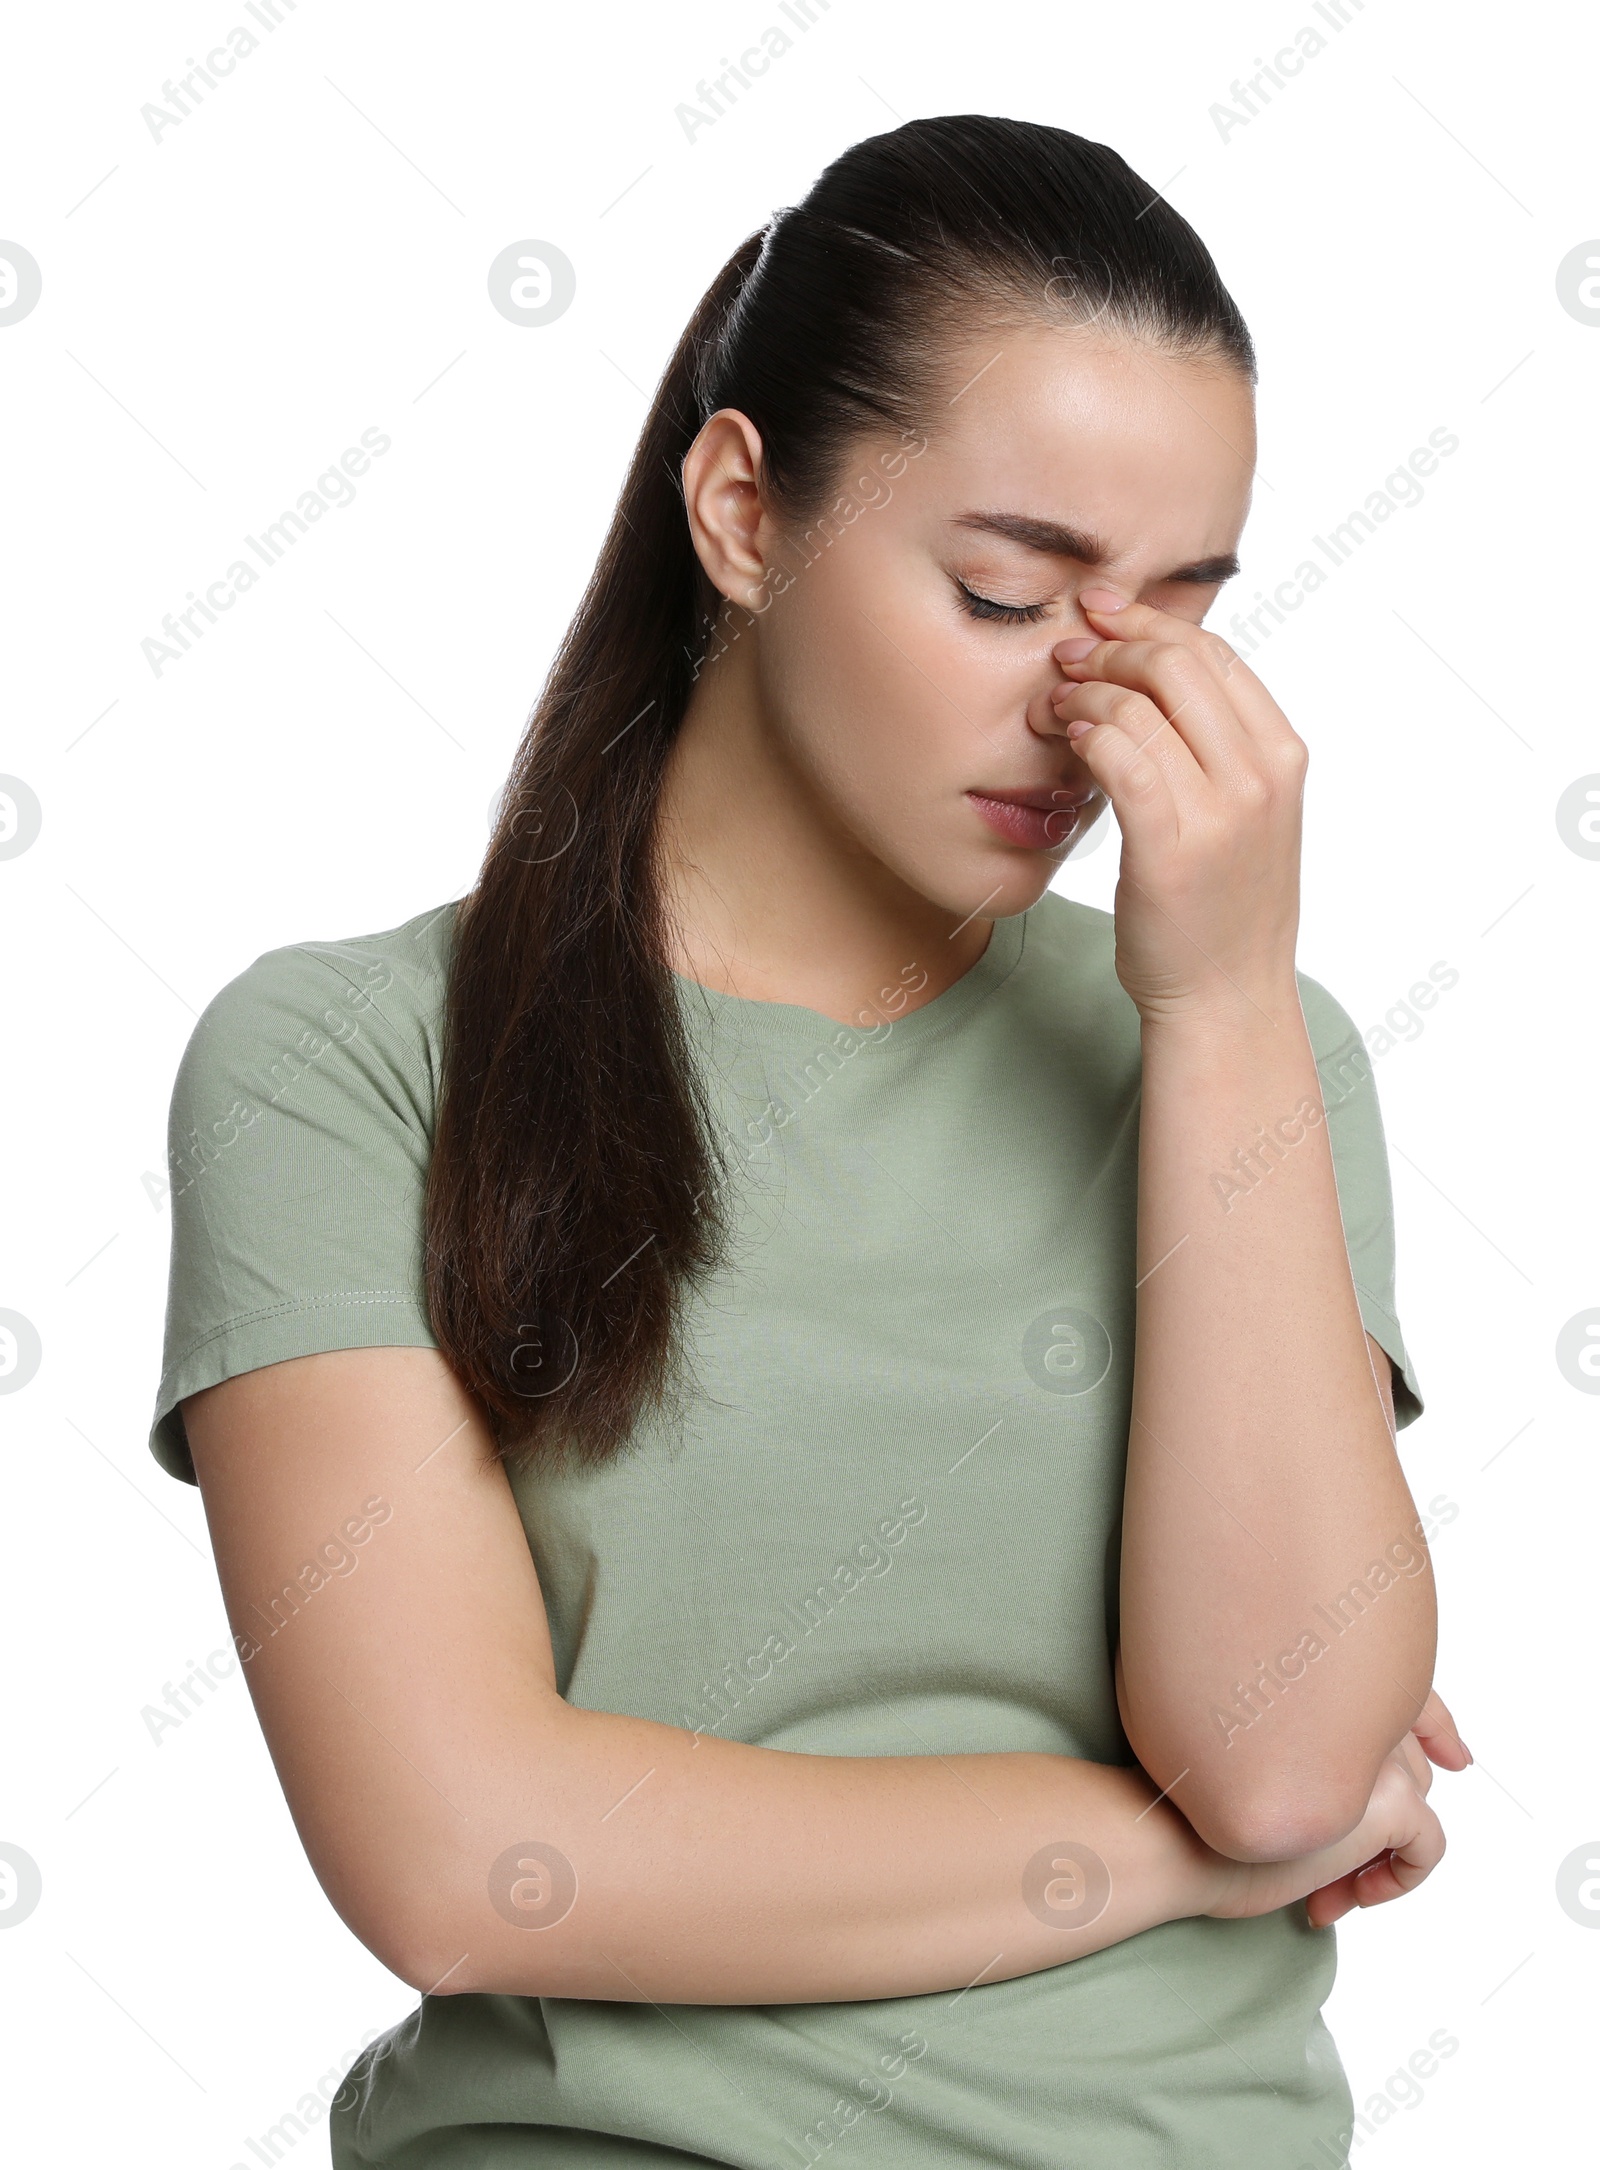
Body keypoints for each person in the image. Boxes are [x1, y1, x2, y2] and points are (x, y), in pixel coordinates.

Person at [149, 114, 1467, 2170]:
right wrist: (1167, 1858)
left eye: (1177, 613)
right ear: (744, 511)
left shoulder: (1243, 1050)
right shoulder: (344, 1059)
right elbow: (463, 1846)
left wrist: (1210, 1009)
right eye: (1002, 590)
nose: (1096, 705)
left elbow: (1285, 1752)